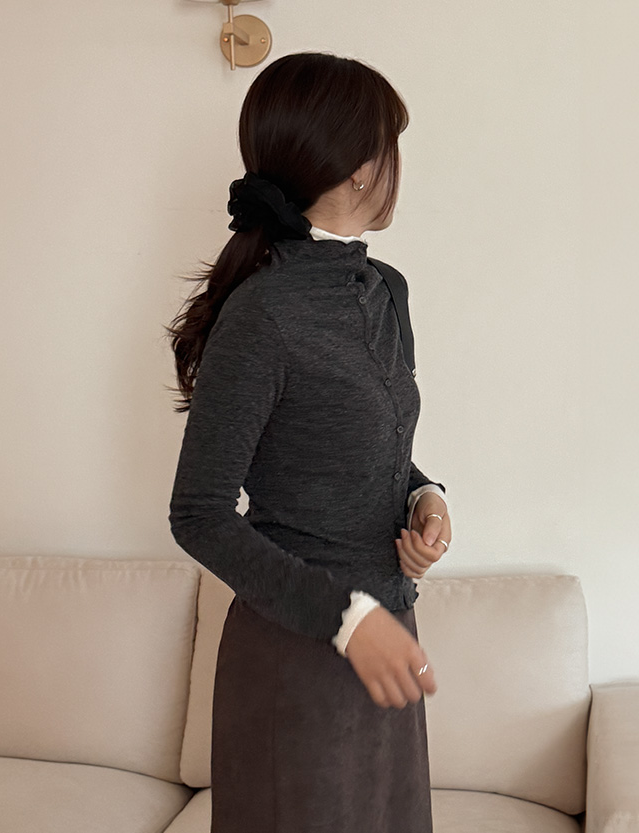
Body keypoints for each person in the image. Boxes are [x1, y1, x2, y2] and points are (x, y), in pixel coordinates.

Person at [165, 51, 452, 833]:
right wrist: (348, 617)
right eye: (390, 147)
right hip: (299, 658)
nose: (397, 166)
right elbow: (197, 513)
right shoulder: (263, 316)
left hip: (388, 642)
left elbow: (366, 440)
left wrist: (425, 497)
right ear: (360, 169)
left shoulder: (386, 291)